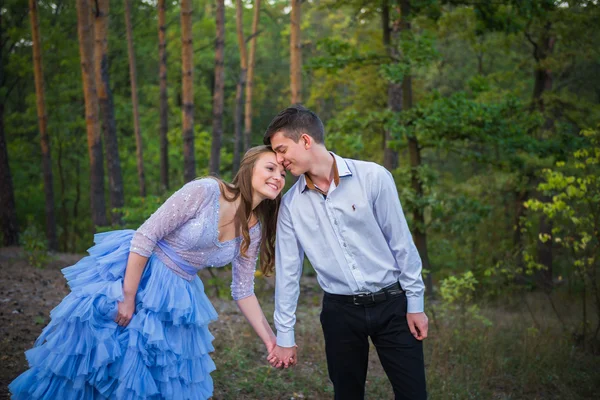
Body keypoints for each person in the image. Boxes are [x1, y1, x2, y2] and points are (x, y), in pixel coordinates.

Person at [9, 146, 286, 400]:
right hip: (140, 274)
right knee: (100, 361)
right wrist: (128, 296)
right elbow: (146, 235)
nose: (277, 177)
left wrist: (271, 341)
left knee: (152, 374)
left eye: (283, 173)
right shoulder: (207, 191)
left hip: (178, 297)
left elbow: (243, 290)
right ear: (249, 167)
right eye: (270, 168)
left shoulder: (254, 230)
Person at [264, 105, 428, 400]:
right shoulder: (290, 206)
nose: (279, 159)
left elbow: (402, 244)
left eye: (282, 149)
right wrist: (285, 336)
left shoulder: (374, 177)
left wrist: (415, 303)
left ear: (305, 140)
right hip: (340, 312)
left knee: (414, 394)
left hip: (393, 306)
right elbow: (288, 273)